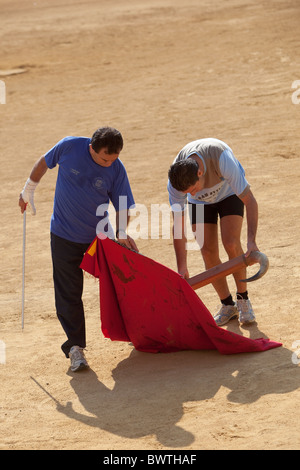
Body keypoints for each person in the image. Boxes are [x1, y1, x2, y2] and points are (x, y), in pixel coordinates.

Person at [19, 127, 138, 372]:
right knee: (68, 292)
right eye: (105, 159)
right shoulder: (69, 146)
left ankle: (138, 332)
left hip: (98, 240)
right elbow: (45, 161)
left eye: (113, 159)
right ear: (91, 148)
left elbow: (123, 203)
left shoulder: (116, 168)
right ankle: (75, 348)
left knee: (120, 284)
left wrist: (122, 233)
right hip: (63, 235)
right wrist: (28, 189)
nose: (109, 164)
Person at [168, 137, 259, 327]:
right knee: (208, 251)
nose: (190, 194)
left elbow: (250, 201)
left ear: (200, 173)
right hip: (201, 206)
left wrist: (251, 241)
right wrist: (182, 266)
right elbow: (178, 225)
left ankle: (243, 299)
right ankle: (227, 305)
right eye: (187, 193)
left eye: (193, 189)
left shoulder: (222, 158)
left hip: (228, 193)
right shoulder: (176, 183)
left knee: (231, 243)